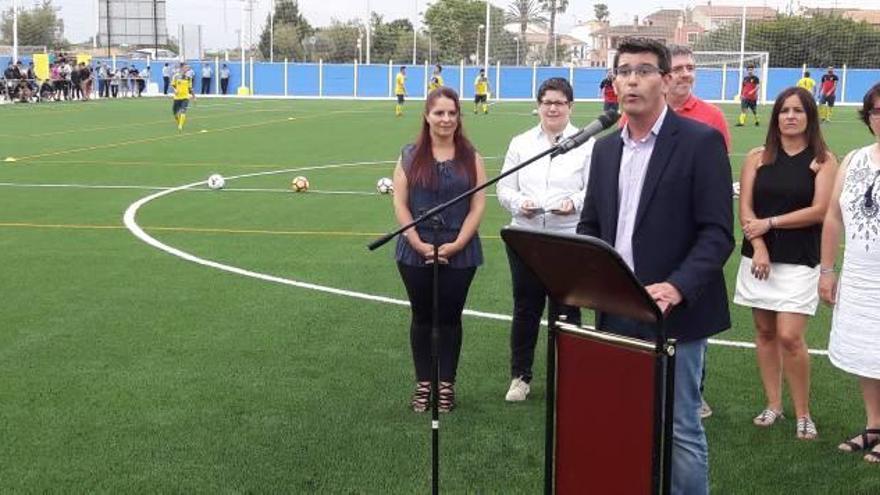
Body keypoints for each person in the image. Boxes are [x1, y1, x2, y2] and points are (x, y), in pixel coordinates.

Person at [577, 38, 734, 495]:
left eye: (643, 70)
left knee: (679, 428)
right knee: (623, 420)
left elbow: (717, 233)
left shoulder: (700, 143)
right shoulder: (605, 150)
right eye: (622, 70)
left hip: (674, 314)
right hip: (615, 309)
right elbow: (592, 223)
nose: (630, 79)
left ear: (665, 81)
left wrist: (677, 287)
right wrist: (587, 276)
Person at [734, 86, 837, 441]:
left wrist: (771, 223)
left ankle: (803, 413)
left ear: (810, 117)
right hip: (758, 260)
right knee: (764, 333)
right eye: (784, 110)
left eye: (798, 110)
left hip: (799, 260)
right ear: (776, 116)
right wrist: (759, 245)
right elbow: (745, 209)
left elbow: (820, 211)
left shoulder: (822, 160)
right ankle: (774, 404)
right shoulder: (757, 157)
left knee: (790, 337)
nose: (790, 116)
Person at [392, 86, 486, 413]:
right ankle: (423, 384)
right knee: (421, 318)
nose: (446, 119)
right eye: (439, 113)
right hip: (414, 250)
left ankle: (446, 385)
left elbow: (477, 205)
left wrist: (458, 243)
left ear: (459, 116)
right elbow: (400, 203)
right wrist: (416, 242)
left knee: (449, 319)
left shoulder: (471, 157)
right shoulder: (408, 155)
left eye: (451, 113)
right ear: (427, 116)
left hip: (460, 251)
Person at [497, 77, 592, 402]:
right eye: (547, 102)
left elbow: (591, 189)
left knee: (568, 308)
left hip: (568, 238)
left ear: (570, 107)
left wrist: (574, 203)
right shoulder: (521, 142)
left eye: (560, 102)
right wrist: (517, 202)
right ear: (538, 106)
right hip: (526, 236)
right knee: (526, 307)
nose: (553, 108)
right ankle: (520, 377)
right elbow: (505, 187)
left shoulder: (586, 143)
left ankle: (571, 376)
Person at [819, 82, 880, 464]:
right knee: (866, 353)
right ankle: (874, 424)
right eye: (877, 111)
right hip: (859, 275)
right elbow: (832, 216)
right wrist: (827, 270)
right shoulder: (855, 159)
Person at [666, 44, 731, 153]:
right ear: (662, 74)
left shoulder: (713, 116)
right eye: (677, 69)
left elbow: (719, 164)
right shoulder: (641, 115)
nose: (686, 74)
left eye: (690, 68)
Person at [171, 65, 195, 131]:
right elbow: (173, 85)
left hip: (185, 97)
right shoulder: (176, 76)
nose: (187, 69)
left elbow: (190, 88)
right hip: (177, 98)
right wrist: (174, 90)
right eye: (186, 68)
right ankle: (179, 123)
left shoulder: (188, 78)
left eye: (188, 68)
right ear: (182, 68)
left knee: (183, 111)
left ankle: (180, 126)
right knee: (175, 113)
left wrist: (194, 96)